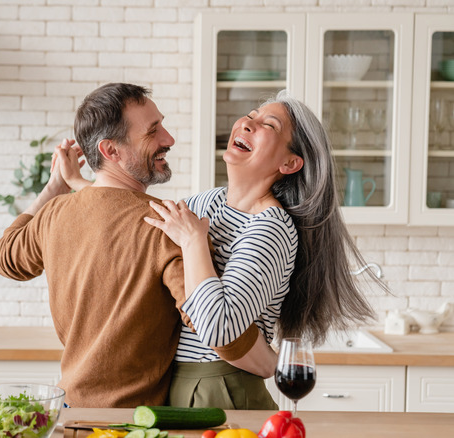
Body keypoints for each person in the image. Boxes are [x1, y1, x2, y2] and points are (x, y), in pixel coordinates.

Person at [0, 83, 264, 408]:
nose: (169, 139)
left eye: (161, 124)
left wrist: (54, 188)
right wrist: (277, 364)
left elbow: (5, 258)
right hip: (130, 424)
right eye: (153, 132)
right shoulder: (164, 226)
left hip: (69, 413)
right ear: (111, 151)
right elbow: (220, 332)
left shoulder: (55, 213)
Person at [143, 90, 379, 408]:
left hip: (222, 389)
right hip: (174, 383)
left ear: (290, 162)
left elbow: (219, 329)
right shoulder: (203, 202)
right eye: (251, 115)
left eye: (268, 124)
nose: (247, 123)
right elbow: (144, 239)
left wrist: (194, 241)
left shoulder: (271, 229)